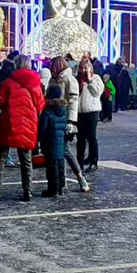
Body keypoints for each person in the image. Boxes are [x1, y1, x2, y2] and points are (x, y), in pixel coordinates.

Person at [0, 54, 44, 203]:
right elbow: (41, 105)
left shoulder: (8, 83)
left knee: (0, 157)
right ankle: (27, 190)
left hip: (8, 123)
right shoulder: (36, 83)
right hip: (28, 125)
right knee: (26, 159)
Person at [50, 56, 90, 192]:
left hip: (65, 119)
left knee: (65, 151)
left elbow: (73, 101)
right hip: (55, 119)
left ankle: (79, 177)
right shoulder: (54, 79)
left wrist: (71, 121)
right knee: (60, 153)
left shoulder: (69, 79)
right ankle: (63, 181)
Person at [40, 82, 69, 197]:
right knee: (60, 165)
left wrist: (40, 139)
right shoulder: (63, 111)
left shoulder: (47, 111)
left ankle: (53, 189)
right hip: (60, 142)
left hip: (50, 142)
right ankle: (61, 187)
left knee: (52, 167)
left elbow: (43, 128)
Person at [76, 59, 103, 172]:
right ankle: (79, 161)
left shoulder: (96, 78)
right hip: (79, 112)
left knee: (91, 137)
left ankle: (93, 161)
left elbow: (97, 92)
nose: (84, 70)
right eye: (82, 68)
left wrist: (90, 80)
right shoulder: (77, 79)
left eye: (86, 68)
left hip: (92, 111)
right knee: (80, 138)